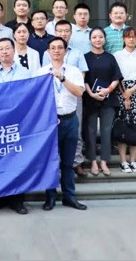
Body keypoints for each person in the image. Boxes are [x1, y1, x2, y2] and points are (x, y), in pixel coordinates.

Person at [36, 37, 87, 211]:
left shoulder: (73, 71)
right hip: (50, 121)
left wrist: (63, 79)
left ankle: (69, 196)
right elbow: (38, 99)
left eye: (60, 48)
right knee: (51, 161)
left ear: (65, 51)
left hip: (70, 119)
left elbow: (79, 92)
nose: (56, 51)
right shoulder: (41, 72)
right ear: (48, 52)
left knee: (68, 162)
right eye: (53, 48)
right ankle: (50, 197)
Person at [0, 38, 32, 215]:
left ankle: (17, 200)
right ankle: (0, 198)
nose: (4, 52)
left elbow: (30, 96)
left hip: (18, 122)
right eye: (1, 49)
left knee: (17, 160)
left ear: (14, 51)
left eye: (7, 48)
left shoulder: (25, 72)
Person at [83, 27, 122, 177]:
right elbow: (83, 79)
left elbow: (116, 77)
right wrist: (91, 94)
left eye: (100, 37)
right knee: (91, 131)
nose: (97, 40)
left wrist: (108, 90)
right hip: (90, 99)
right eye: (94, 37)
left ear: (105, 39)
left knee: (106, 131)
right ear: (90, 40)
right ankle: (93, 161)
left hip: (108, 99)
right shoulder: (85, 57)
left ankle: (104, 161)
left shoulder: (110, 57)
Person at [113, 27, 136, 173]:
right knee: (123, 128)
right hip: (121, 91)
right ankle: (123, 161)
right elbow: (117, 76)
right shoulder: (117, 55)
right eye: (128, 36)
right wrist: (125, 95)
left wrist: (132, 90)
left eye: (134, 36)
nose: (131, 39)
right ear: (123, 39)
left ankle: (133, 161)